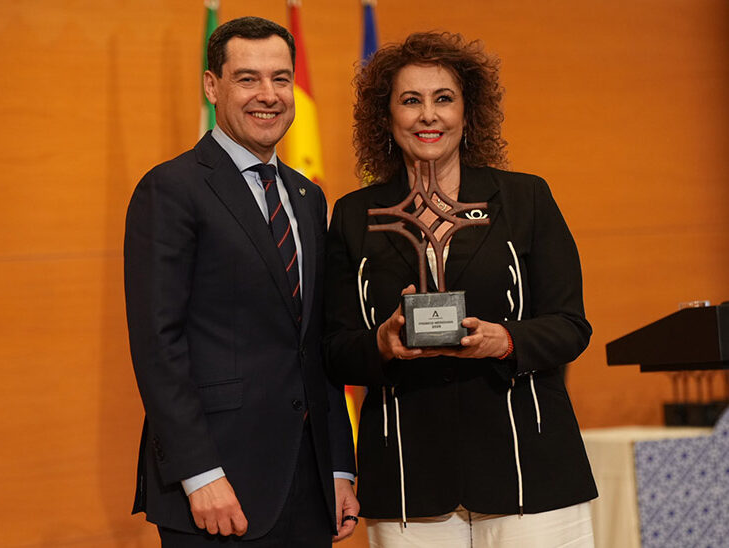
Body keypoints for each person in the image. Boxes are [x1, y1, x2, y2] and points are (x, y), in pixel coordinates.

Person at [324, 31, 597, 546]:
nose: (428, 115)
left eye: (443, 99)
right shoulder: (355, 215)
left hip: (528, 471)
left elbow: (571, 326)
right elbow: (334, 350)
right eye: (410, 101)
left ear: (467, 115)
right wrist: (380, 345)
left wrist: (506, 341)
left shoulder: (525, 198)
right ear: (386, 119)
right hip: (408, 481)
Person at [124, 16, 358, 547]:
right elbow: (158, 346)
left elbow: (315, 344)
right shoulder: (171, 189)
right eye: (247, 78)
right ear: (213, 86)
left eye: (280, 78)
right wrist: (199, 474)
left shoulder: (307, 195)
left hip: (309, 481)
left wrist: (339, 467)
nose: (268, 95)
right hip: (215, 487)